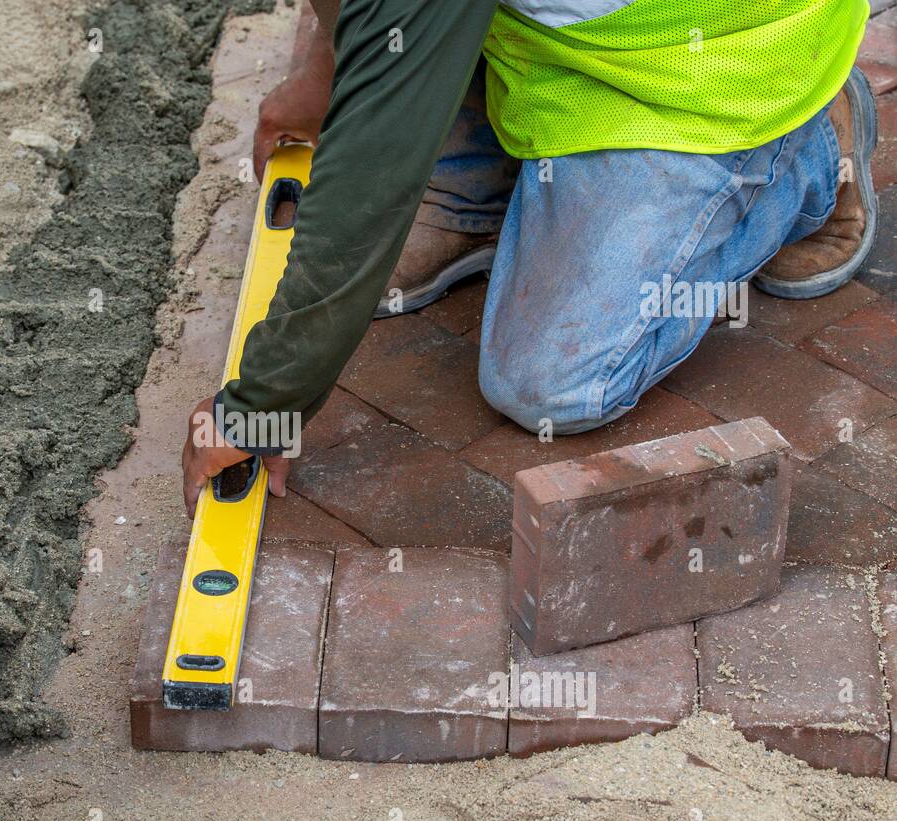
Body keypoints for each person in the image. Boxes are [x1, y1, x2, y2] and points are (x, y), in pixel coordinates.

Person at [181, 0, 876, 517]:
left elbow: (370, 169)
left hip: (706, 68)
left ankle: (804, 152)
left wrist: (261, 405)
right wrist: (332, 68)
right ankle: (493, 180)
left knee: (552, 386)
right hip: (549, 37)